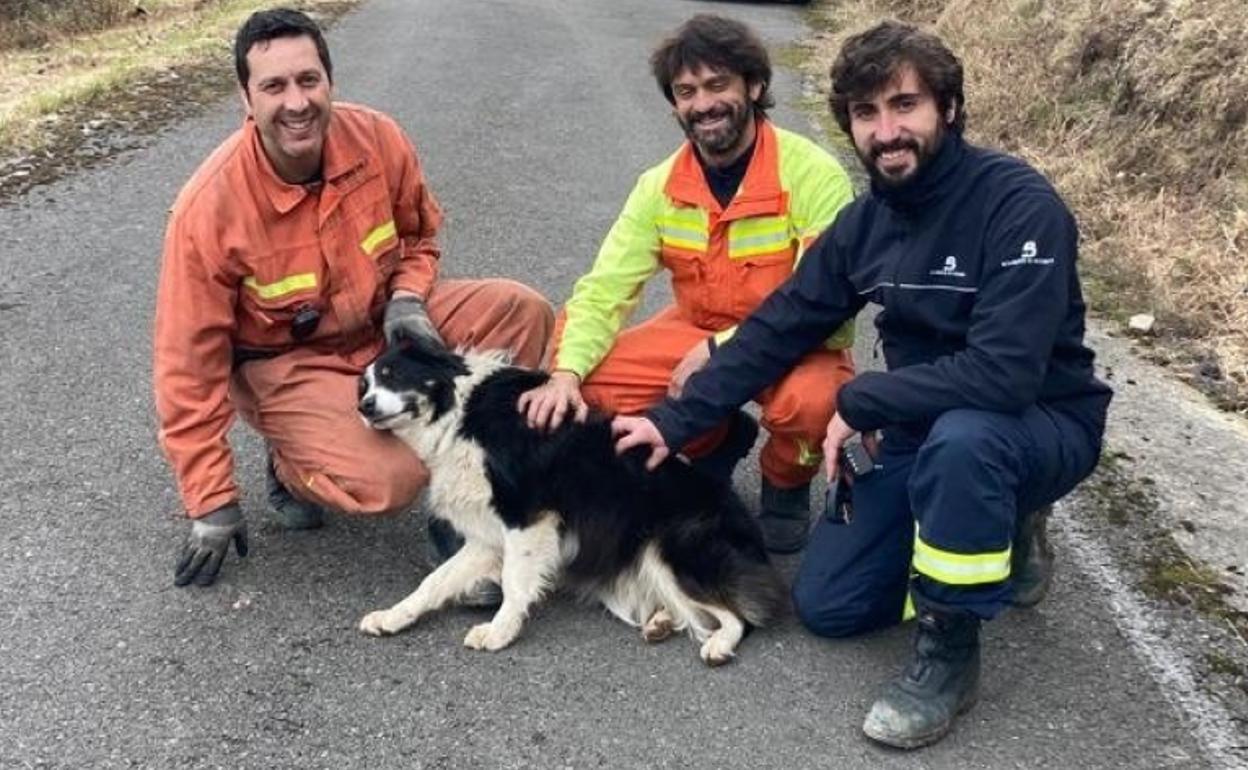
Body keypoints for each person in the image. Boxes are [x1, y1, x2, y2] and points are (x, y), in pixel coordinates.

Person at [612, 20, 1113, 749]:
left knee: (968, 444)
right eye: (866, 113)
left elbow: (1004, 376)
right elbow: (779, 325)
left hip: (1039, 421)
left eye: (904, 105)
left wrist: (861, 398)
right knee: (829, 605)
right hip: (925, 423)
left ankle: (949, 649)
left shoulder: (1018, 206)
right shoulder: (868, 221)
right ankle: (988, 524)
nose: (887, 131)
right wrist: (673, 421)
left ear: (948, 107)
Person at [154, 8, 553, 589]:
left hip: (383, 327)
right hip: (288, 366)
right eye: (274, 86)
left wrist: (409, 298)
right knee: (390, 479)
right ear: (246, 97)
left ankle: (471, 500)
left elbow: (419, 237)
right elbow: (185, 367)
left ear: (330, 80)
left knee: (523, 311)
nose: (296, 102)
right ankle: (292, 466)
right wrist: (210, 499)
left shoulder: (378, 140)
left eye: (308, 80)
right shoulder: (208, 211)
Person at [517, 14, 857, 553]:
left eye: (718, 84)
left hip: (794, 342)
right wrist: (564, 372)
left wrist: (720, 348)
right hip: (695, 329)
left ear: (756, 86)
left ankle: (786, 480)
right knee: (592, 390)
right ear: (675, 105)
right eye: (686, 92)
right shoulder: (660, 186)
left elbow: (826, 311)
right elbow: (604, 289)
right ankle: (713, 439)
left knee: (814, 403)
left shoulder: (813, 174)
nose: (703, 104)